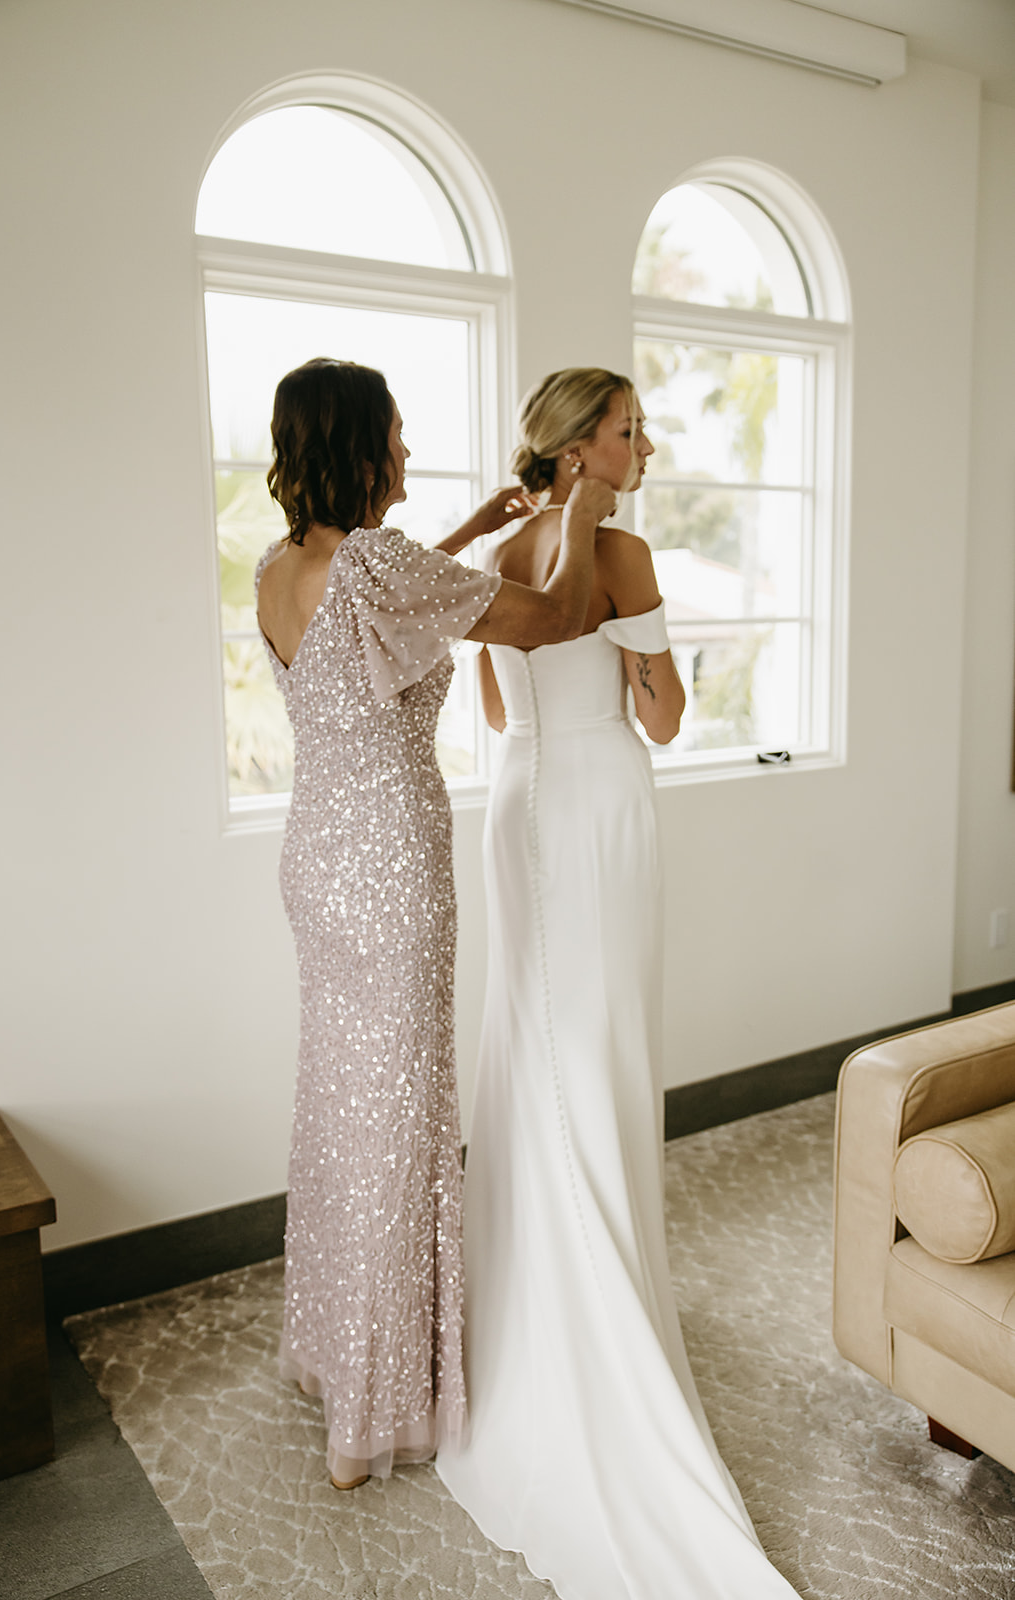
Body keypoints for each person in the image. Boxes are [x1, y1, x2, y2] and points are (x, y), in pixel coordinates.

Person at [437, 368, 803, 1598]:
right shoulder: (626, 556)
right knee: (596, 1047)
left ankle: (533, 1297)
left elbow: (495, 705)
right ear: (577, 451)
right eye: (625, 430)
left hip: (519, 801)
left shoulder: (498, 556)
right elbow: (663, 721)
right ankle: (600, 1302)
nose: (645, 445)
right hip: (595, 808)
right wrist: (646, 666)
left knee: (533, 1040)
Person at [254, 357, 616, 1492]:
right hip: (394, 876)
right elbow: (555, 616)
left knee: (341, 1113)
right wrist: (585, 509)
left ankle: (333, 1358)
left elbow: (394, 598)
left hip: (317, 864)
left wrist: (471, 522)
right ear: (358, 447)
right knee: (399, 1127)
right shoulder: (376, 564)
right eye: (397, 438)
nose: (408, 455)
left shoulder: (284, 566)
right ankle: (366, 1422)